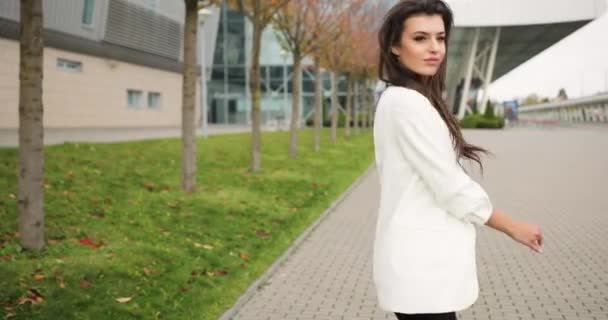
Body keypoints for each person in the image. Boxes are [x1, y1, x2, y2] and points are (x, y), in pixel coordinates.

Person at [371, 1, 544, 320]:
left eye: (440, 37)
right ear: (395, 46)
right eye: (420, 38)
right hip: (421, 267)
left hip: (421, 265)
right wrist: (511, 226)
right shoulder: (406, 104)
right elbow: (450, 187)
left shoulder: (408, 99)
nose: (434, 48)